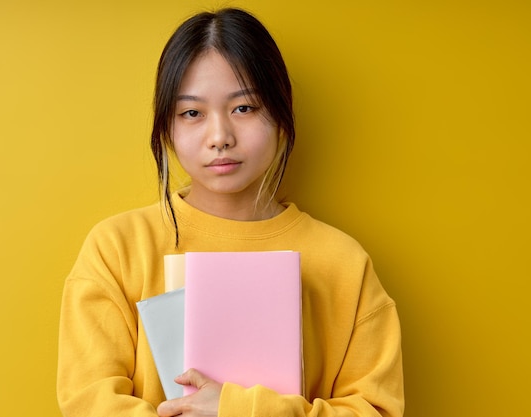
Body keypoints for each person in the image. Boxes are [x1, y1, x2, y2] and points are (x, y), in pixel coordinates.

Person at [57, 7, 404, 417]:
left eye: (244, 108)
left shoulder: (344, 262)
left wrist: (237, 409)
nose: (219, 136)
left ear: (280, 114)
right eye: (192, 113)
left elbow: (375, 411)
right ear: (166, 127)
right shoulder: (117, 249)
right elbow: (89, 403)